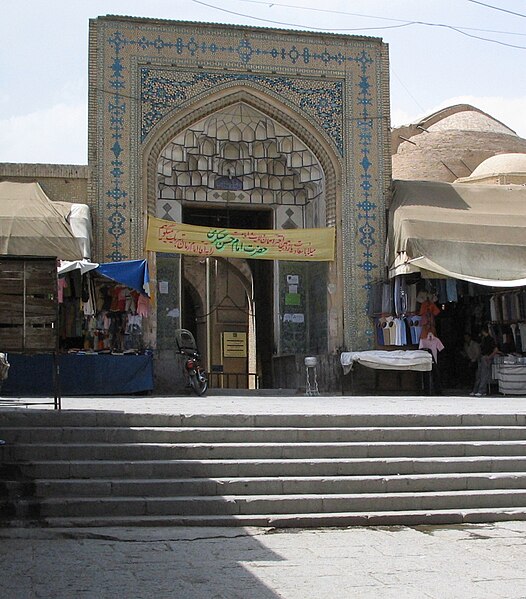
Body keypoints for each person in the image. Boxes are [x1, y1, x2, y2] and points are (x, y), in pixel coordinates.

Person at [471, 325, 499, 397]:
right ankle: (476, 390)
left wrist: (489, 357)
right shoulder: (484, 339)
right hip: (482, 357)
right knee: (479, 375)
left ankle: (482, 390)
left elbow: (496, 350)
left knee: (483, 375)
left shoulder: (490, 339)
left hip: (486, 357)